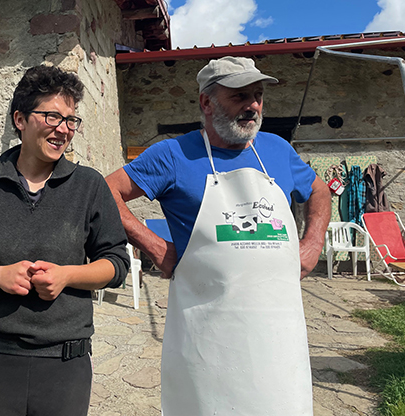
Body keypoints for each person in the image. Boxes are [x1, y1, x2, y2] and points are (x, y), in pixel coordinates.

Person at [106, 56, 331, 416]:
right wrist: (153, 246)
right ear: (207, 103)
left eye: (257, 96)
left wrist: (313, 241)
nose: (253, 105)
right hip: (208, 337)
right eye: (239, 96)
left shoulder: (277, 149)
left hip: (279, 333)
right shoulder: (173, 154)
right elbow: (106, 192)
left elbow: (319, 190)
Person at [0, 65, 130, 416]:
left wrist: (67, 275)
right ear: (20, 119)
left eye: (71, 120)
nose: (63, 129)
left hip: (64, 363)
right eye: (52, 116)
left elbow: (116, 264)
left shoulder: (89, 186)